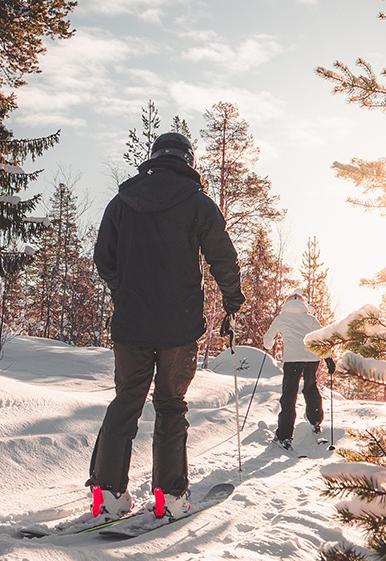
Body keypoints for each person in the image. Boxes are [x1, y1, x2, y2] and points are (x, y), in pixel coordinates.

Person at [87, 132, 244, 521]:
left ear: (153, 158)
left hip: (131, 325)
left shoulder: (122, 202)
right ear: (188, 160)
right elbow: (222, 257)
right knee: (171, 406)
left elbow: (103, 258)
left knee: (126, 402)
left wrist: (124, 289)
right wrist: (232, 302)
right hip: (178, 328)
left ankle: (107, 494)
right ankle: (169, 497)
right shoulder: (197, 204)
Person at [262, 292, 335, 451]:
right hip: (311, 359)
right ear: (303, 304)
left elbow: (268, 340)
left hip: (292, 360)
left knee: (289, 395)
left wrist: (269, 344)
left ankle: (284, 436)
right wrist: (328, 358)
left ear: (286, 303)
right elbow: (322, 337)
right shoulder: (309, 318)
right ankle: (315, 422)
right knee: (310, 388)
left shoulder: (281, 318)